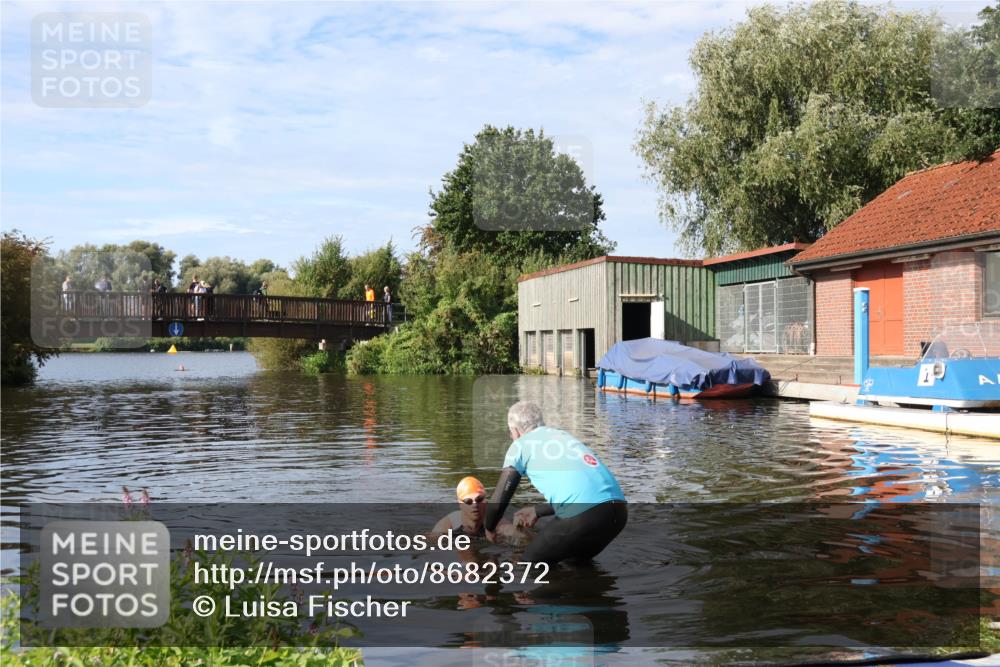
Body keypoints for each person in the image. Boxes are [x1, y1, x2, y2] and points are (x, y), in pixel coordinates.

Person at [484, 402, 627, 564]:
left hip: (584, 516)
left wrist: (489, 528)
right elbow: (583, 491)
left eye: (511, 433)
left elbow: (499, 501)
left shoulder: (520, 445)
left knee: (531, 563)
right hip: (619, 511)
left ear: (516, 431)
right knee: (575, 563)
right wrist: (538, 510)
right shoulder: (562, 436)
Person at [431, 476, 523, 541]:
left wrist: (520, 529)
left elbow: (525, 541)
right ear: (460, 504)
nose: (475, 504)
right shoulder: (450, 524)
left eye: (479, 499)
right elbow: (425, 544)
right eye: (468, 501)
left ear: (486, 500)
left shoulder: (496, 521)